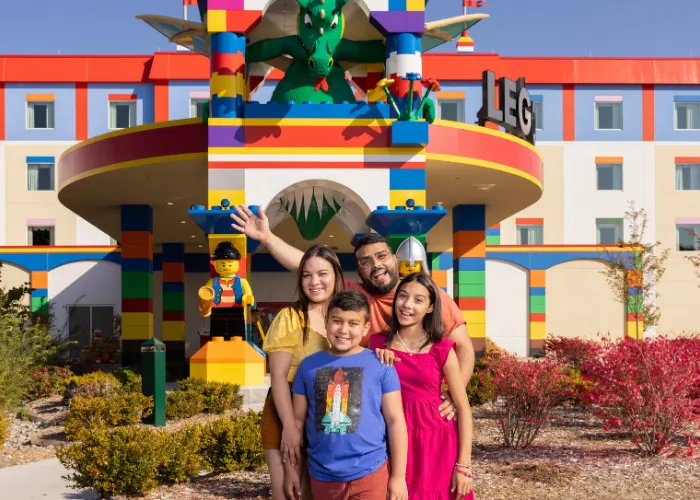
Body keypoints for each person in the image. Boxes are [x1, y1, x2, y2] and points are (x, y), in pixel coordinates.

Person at [231, 205, 475, 419]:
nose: (376, 264)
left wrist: (456, 395)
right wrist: (267, 238)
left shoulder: (427, 296)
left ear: (393, 258)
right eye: (366, 262)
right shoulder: (355, 297)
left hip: (426, 405)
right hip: (375, 406)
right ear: (358, 271)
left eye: (381, 256)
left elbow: (463, 347)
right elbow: (311, 266)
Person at [286, 290, 409, 500]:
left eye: (353, 323)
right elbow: (297, 424)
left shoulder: (382, 365)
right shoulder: (308, 367)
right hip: (323, 475)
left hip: (371, 472)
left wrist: (398, 476)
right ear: (327, 321)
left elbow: (395, 421)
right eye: (337, 321)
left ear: (365, 327)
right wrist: (292, 472)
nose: (343, 329)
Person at [370, 272, 474, 500]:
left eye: (418, 300)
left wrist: (464, 466)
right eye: (403, 296)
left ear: (430, 307)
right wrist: (377, 359)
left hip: (437, 443)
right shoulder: (376, 344)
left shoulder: (442, 348)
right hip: (393, 440)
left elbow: (464, 409)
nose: (407, 305)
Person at [260, 245, 345, 500]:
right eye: (306, 275)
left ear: (336, 276)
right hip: (284, 411)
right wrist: (289, 427)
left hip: (330, 415)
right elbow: (278, 377)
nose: (314, 282)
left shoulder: (347, 317)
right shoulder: (290, 317)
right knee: (290, 492)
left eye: (322, 274)